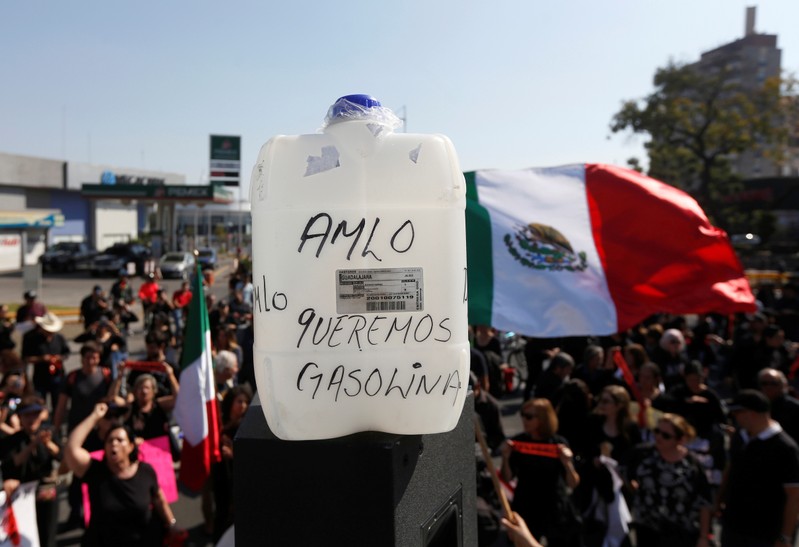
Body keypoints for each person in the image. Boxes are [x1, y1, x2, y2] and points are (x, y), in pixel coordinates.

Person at [64, 402, 181, 547]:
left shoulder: (145, 470)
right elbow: (71, 449)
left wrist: (172, 524)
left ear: (131, 446)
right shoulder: (96, 471)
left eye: (120, 440)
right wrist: (94, 416)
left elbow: (159, 499)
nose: (114, 444)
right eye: (109, 441)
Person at [717, 389, 799, 546]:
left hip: (764, 534)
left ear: (751, 413)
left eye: (737, 413)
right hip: (733, 527)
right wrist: (719, 500)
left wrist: (785, 537)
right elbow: (731, 468)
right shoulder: (740, 437)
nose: (734, 418)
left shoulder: (786, 448)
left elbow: (794, 496)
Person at [500, 398, 581, 547]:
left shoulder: (558, 443)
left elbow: (573, 483)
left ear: (543, 419)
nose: (524, 420)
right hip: (527, 504)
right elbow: (507, 477)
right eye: (522, 415)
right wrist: (505, 458)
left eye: (529, 416)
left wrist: (567, 463)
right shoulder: (518, 442)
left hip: (554, 505)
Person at [629, 413, 712, 547]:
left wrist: (703, 537)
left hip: (680, 534)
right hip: (647, 530)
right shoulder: (643, 454)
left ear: (680, 440)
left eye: (665, 435)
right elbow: (623, 472)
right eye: (657, 432)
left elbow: (704, 502)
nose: (658, 437)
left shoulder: (692, 466)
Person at [0, 396, 60, 547]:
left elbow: (62, 456)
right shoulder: (11, 441)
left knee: (47, 537)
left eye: (35, 414)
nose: (31, 419)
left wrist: (47, 444)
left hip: (45, 492)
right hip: (21, 496)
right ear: (20, 417)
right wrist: (33, 444)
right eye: (27, 415)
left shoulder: (50, 433)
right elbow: (10, 464)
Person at [212, 385, 253, 542]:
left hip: (237, 481)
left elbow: (250, 460)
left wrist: (233, 454)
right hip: (221, 476)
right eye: (239, 401)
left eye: (246, 402)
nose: (243, 406)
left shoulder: (247, 428)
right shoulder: (221, 424)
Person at [21, 312, 70, 406]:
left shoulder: (59, 338)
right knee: (40, 402)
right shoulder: (32, 339)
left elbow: (66, 353)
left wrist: (58, 358)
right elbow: (26, 358)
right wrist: (41, 359)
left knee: (57, 401)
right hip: (40, 377)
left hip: (57, 375)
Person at [758, 367, 799, 443]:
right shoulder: (756, 407)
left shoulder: (794, 408)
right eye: (764, 383)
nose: (768, 387)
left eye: (773, 383)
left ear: (783, 385)